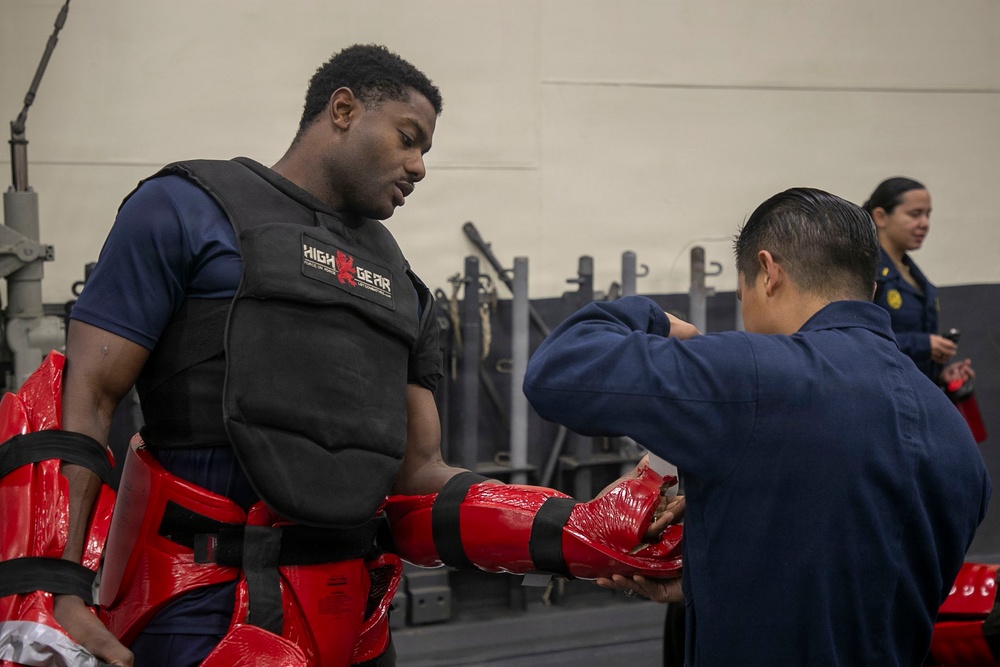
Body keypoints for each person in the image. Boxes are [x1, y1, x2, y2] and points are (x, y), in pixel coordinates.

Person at [0, 44, 682, 667]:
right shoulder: (184, 208)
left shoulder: (403, 287)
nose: (419, 166)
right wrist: (52, 589)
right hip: (198, 607)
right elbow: (85, 397)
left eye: (426, 151)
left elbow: (419, 475)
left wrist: (582, 530)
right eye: (408, 139)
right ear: (344, 109)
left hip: (352, 620)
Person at [523, 187, 991, 666]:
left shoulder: (753, 374)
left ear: (768, 273)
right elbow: (852, 570)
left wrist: (654, 318)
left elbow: (556, 370)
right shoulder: (958, 444)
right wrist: (708, 575)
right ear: (870, 287)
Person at [863, 177, 975, 386]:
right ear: (880, 217)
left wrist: (940, 374)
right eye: (915, 214)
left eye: (927, 214)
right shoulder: (865, 272)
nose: (924, 223)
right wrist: (922, 345)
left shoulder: (912, 274)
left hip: (914, 392)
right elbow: (859, 341)